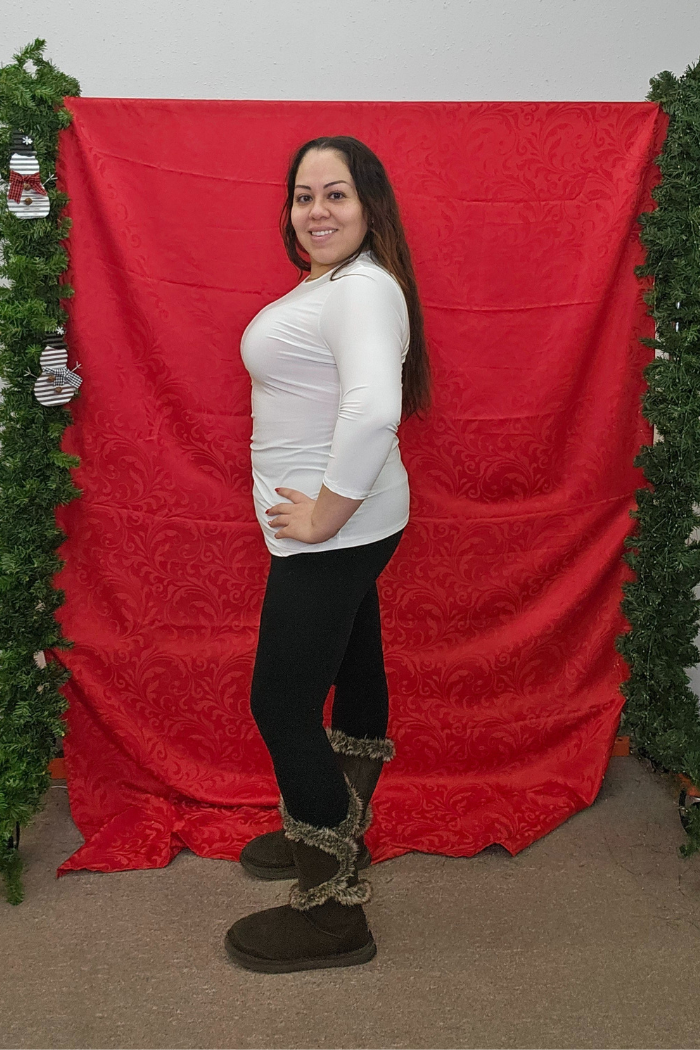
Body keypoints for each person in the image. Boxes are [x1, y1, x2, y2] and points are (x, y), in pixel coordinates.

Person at [224, 135, 432, 973]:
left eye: (335, 194)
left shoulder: (360, 290)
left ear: (369, 205)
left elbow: (376, 407)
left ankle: (334, 910)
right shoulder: (337, 285)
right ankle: (333, 822)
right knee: (357, 669)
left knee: (279, 703)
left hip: (339, 529)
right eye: (303, 195)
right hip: (358, 522)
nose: (315, 211)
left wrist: (324, 515)